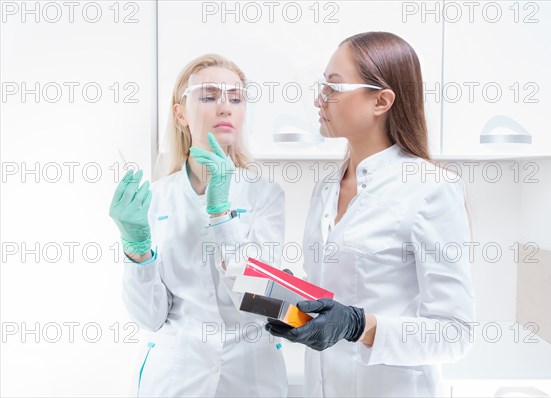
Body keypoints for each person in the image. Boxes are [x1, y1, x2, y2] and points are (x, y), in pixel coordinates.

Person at [266, 32, 476, 397]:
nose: (320, 98)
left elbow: (456, 332)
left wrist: (359, 325)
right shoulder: (326, 188)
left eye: (333, 86)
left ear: (381, 101)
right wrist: (291, 294)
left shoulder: (430, 189)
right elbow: (336, 293)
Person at [109, 54, 288, 397]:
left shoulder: (265, 194)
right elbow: (150, 317)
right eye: (208, 96)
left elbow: (259, 298)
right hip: (176, 375)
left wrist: (222, 216)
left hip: (251, 374)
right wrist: (136, 249)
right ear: (180, 113)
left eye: (235, 98)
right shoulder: (156, 199)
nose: (225, 107)